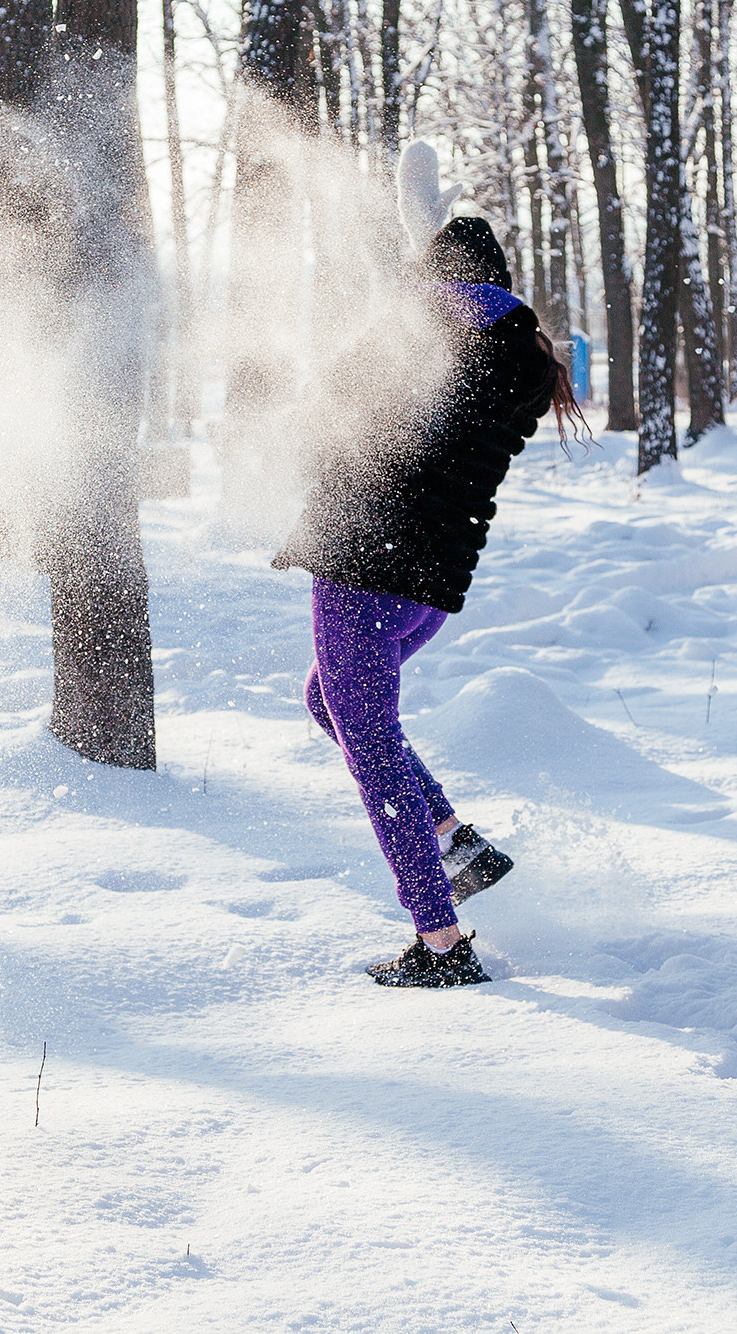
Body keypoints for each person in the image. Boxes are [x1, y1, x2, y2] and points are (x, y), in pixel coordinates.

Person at [273, 142, 585, 989]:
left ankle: (441, 941)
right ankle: (454, 841)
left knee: (371, 744)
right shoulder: (519, 355)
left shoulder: (417, 329)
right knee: (328, 701)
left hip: (364, 564)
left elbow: (328, 406)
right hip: (428, 590)